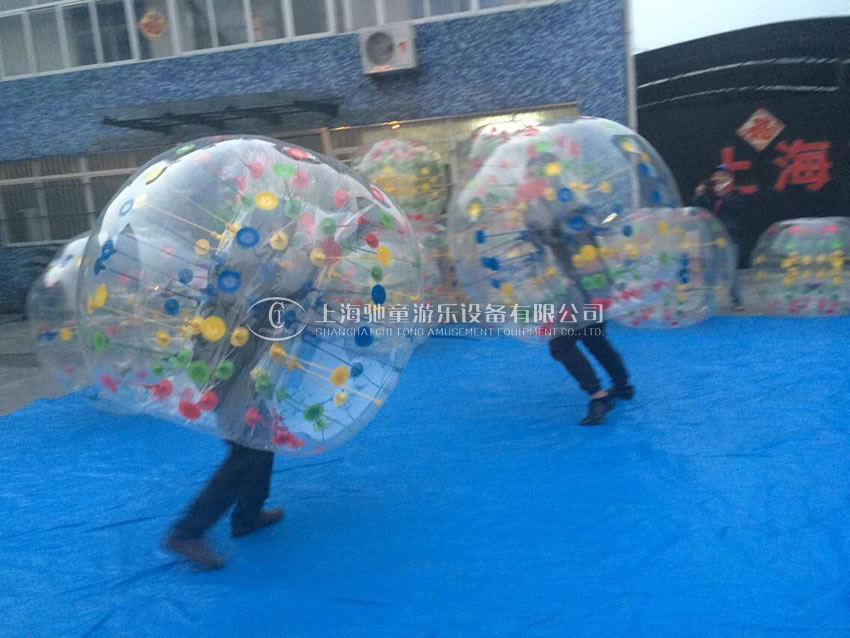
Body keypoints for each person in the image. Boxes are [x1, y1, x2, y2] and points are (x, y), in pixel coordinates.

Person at [526, 214, 634, 426]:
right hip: (595, 283)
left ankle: (598, 397)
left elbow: (552, 236)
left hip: (576, 289)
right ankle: (622, 385)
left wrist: (534, 231)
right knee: (594, 338)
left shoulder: (551, 209)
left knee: (561, 344)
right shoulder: (575, 206)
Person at [693, 164, 748, 309]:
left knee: (730, 269)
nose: (718, 177)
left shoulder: (736, 194)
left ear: (730, 178)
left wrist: (723, 195)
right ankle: (707, 301)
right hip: (711, 237)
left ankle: (736, 301)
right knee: (708, 268)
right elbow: (699, 209)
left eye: (722, 175)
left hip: (730, 237)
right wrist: (699, 194)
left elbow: (738, 209)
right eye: (716, 175)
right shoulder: (709, 195)